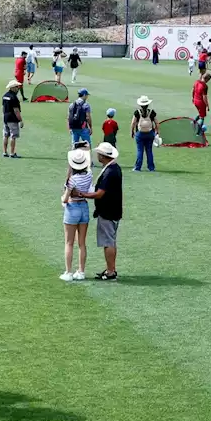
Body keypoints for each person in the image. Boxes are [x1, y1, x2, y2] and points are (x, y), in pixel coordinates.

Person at [70, 143, 122, 280]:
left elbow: (99, 194)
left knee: (108, 242)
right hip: (113, 209)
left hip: (107, 211)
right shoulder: (114, 168)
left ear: (104, 156)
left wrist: (82, 194)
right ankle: (111, 269)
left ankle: (111, 272)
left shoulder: (109, 172)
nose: (97, 155)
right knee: (110, 241)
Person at [60, 148, 94, 282]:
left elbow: (65, 198)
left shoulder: (72, 180)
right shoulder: (89, 175)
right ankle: (81, 271)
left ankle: (68, 272)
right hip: (84, 207)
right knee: (82, 243)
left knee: (69, 243)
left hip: (72, 208)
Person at [131, 96, 158, 173]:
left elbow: (133, 123)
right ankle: (151, 168)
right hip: (150, 134)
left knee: (140, 151)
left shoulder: (137, 112)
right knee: (149, 151)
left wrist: (132, 132)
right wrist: (157, 132)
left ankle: (138, 167)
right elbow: (156, 123)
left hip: (140, 134)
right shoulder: (152, 112)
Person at [2, 80, 24, 158]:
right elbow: (16, 110)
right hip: (12, 119)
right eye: (17, 87)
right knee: (13, 136)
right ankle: (12, 153)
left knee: (5, 135)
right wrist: (20, 120)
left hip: (5, 118)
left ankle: (4, 152)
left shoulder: (5, 96)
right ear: (13, 88)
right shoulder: (13, 97)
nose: (18, 88)